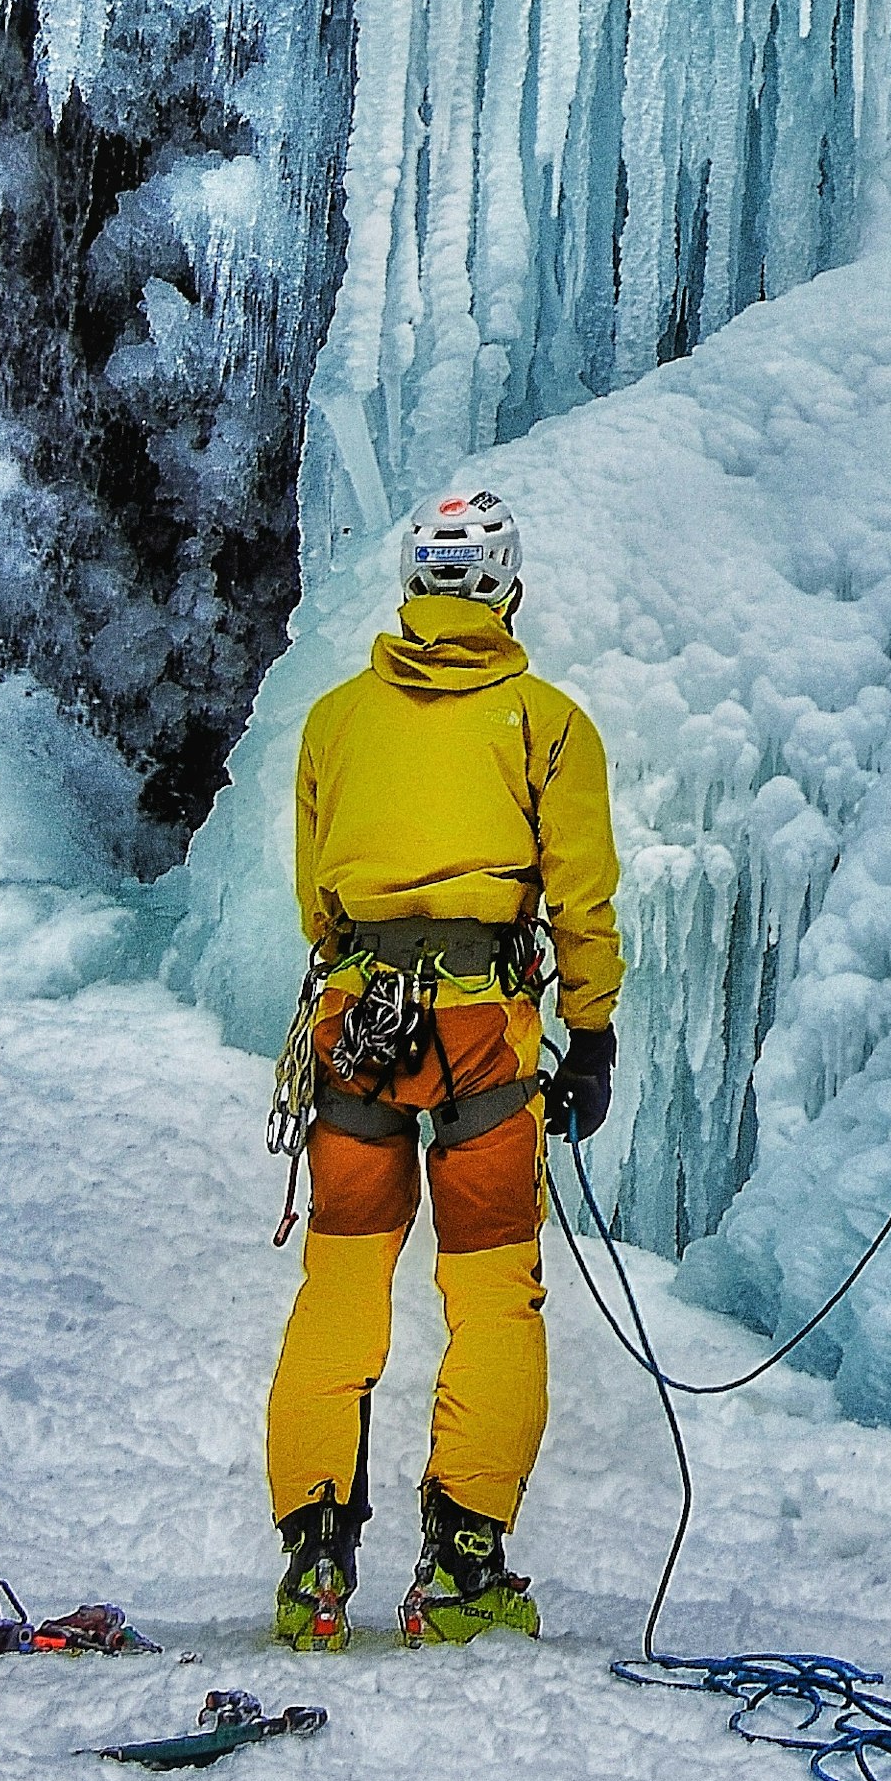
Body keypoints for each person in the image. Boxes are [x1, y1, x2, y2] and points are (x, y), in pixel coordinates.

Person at [264, 484, 622, 1652]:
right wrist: (594, 1030)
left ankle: (314, 1564)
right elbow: (579, 896)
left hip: (359, 1026)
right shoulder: (547, 721)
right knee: (492, 1290)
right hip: (483, 1035)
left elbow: (319, 898)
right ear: (508, 586)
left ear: (411, 588)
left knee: (342, 1282)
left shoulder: (333, 719)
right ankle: (465, 1562)